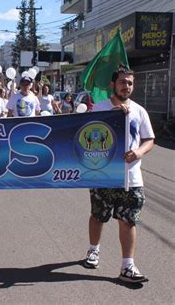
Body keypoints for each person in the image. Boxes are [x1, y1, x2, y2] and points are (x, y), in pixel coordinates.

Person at [83, 66, 154, 283]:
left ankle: (127, 266)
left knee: (128, 220)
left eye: (130, 83)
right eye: (123, 82)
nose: (127, 86)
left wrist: (138, 152)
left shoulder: (139, 111)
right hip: (103, 175)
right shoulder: (99, 109)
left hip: (130, 177)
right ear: (113, 85)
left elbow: (149, 139)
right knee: (98, 215)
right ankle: (93, 250)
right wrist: (110, 117)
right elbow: (85, 135)